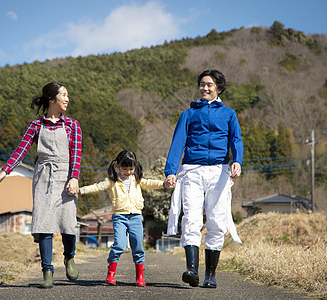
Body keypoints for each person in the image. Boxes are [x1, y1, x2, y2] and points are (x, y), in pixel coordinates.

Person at [0, 82, 82, 289]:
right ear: (52, 99)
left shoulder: (72, 125)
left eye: (68, 95)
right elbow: (21, 150)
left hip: (66, 176)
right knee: (43, 224)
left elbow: (76, 155)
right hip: (42, 177)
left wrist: (74, 178)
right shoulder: (35, 126)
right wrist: (5, 170)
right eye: (64, 95)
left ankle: (69, 257)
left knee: (68, 222)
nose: (67, 99)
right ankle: (47, 272)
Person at [164, 69, 243, 288]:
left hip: (219, 171)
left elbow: (236, 140)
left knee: (217, 221)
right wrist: (170, 171)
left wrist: (237, 160)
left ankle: (210, 274)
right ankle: (191, 270)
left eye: (209, 84)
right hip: (192, 171)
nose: (204, 88)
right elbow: (177, 143)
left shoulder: (228, 114)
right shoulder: (188, 114)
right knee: (191, 219)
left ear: (218, 88)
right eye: (201, 84)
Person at [79, 150, 168, 287]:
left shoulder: (137, 180)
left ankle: (140, 276)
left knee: (137, 246)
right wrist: (80, 190)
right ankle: (111, 274)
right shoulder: (112, 181)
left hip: (136, 217)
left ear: (135, 167)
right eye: (124, 168)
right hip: (119, 217)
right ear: (117, 166)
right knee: (119, 245)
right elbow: (97, 187)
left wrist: (163, 184)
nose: (128, 172)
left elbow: (150, 183)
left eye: (131, 168)